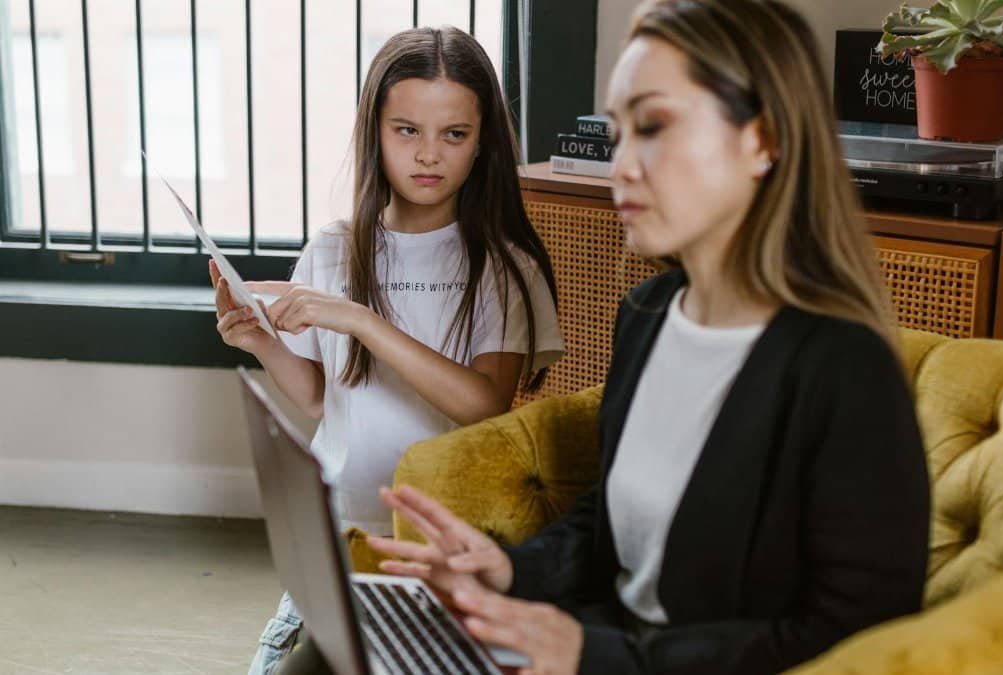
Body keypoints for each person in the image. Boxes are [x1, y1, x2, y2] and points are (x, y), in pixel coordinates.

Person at [365, 1, 932, 673]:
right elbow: (608, 520)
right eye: (619, 134)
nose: (623, 166)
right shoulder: (650, 313)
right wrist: (510, 571)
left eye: (655, 126)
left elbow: (854, 639)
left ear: (764, 139)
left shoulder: (845, 367)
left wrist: (596, 653)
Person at [210, 25, 563, 674]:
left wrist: (359, 318)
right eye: (407, 130)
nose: (429, 155)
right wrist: (262, 341)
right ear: (375, 132)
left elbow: (484, 403)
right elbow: (323, 395)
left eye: (454, 135)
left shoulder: (503, 268)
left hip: (440, 548)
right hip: (339, 533)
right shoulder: (332, 249)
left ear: (482, 142)